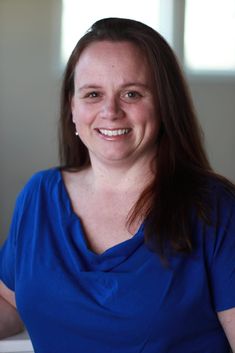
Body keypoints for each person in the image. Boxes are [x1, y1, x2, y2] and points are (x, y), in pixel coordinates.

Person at [0, 17, 235, 352]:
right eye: (93, 94)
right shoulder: (39, 196)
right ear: (72, 107)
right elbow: (11, 301)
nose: (110, 111)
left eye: (131, 93)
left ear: (164, 104)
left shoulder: (214, 208)